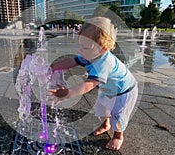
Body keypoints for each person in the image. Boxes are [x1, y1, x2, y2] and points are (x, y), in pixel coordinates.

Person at [49, 17, 138, 151]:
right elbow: (72, 61)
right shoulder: (89, 55)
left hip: (124, 92)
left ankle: (118, 136)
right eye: (80, 46)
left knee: (118, 115)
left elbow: (89, 84)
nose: (81, 51)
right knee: (102, 108)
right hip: (109, 89)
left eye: (85, 47)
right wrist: (54, 67)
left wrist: (68, 93)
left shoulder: (104, 63)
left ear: (103, 49)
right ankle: (106, 124)